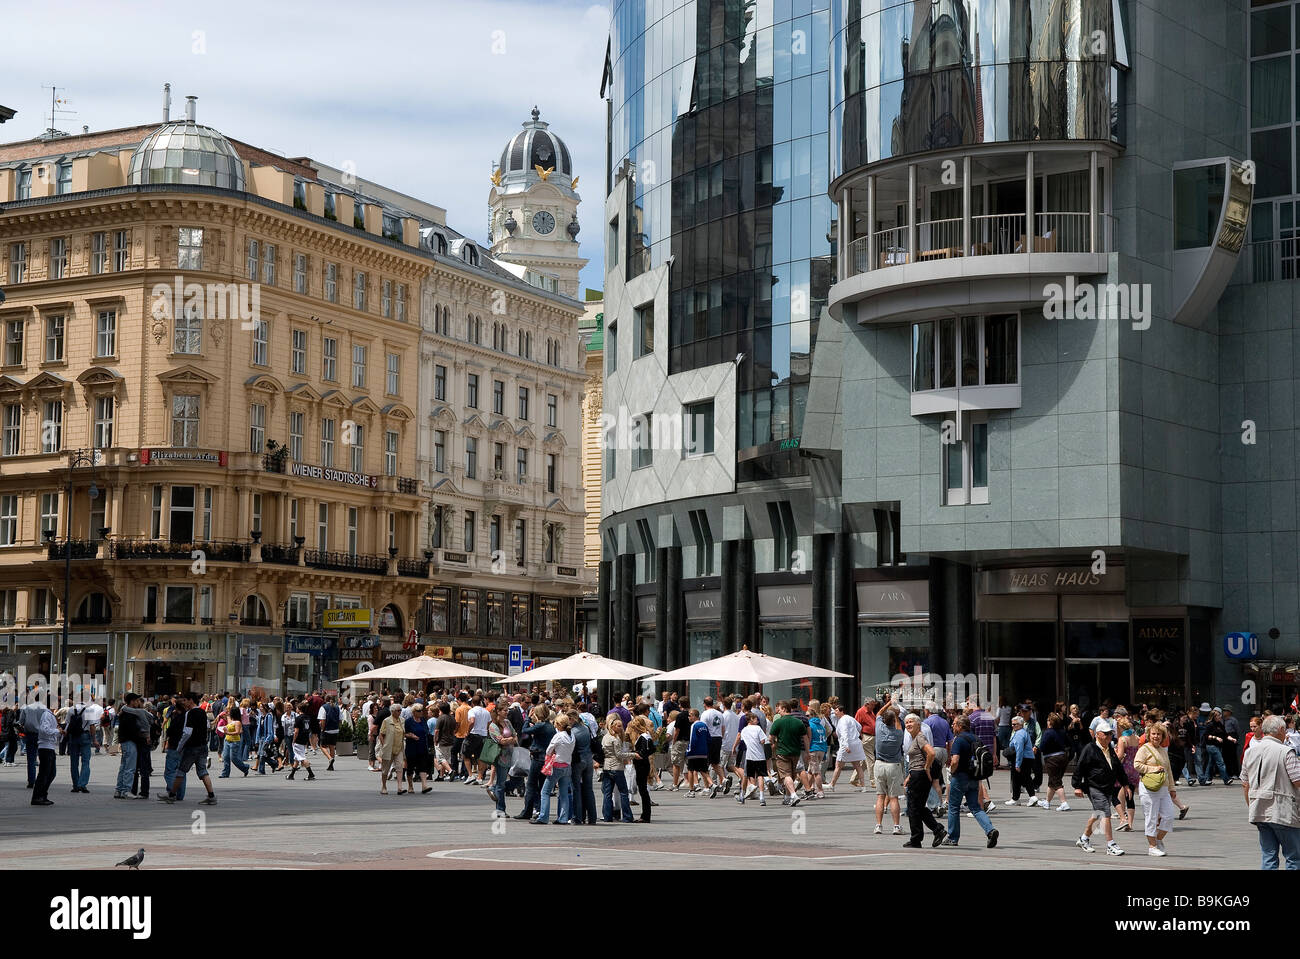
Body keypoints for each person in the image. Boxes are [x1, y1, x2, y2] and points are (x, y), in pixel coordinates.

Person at [1241, 714, 1300, 870]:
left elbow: (1245, 783)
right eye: (1285, 730)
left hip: (1259, 809)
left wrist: (1251, 804)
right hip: (1283, 810)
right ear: (1280, 729)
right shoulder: (1286, 751)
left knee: (1269, 856)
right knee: (1294, 857)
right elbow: (1298, 781)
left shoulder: (1250, 752)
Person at [940, 714, 998, 848]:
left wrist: (952, 770)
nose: (952, 726)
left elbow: (955, 760)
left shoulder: (959, 740)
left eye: (954, 724)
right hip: (974, 777)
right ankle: (990, 830)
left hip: (960, 777)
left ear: (960, 726)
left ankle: (953, 838)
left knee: (953, 807)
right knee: (976, 807)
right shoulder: (976, 738)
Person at [1071, 720, 1126, 856]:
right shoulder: (1090, 748)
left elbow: (1117, 767)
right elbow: (1080, 767)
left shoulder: (1110, 749)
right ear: (1098, 734)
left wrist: (1125, 783)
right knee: (1105, 813)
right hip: (1094, 786)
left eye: (1110, 734)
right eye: (1106, 734)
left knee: (1098, 814)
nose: (1109, 737)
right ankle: (1110, 844)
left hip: (1107, 786)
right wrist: (1077, 786)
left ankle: (1084, 839)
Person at [161, 691, 217, 804]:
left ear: (190, 700)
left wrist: (180, 746)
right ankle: (211, 796)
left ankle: (172, 795)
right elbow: (207, 726)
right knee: (202, 771)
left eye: (185, 700)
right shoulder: (202, 711)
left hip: (192, 747)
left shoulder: (189, 713)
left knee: (181, 771)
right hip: (202, 745)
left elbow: (187, 732)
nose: (184, 702)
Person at [1133, 721, 1179, 857]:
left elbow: (1168, 770)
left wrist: (1172, 787)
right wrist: (1153, 769)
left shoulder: (1163, 751)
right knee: (1151, 817)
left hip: (1164, 788)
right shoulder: (1144, 749)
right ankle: (1152, 847)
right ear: (1148, 735)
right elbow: (1137, 764)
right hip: (1149, 788)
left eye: (1159, 734)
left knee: (1169, 816)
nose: (1156, 736)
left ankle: (1158, 840)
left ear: (1163, 736)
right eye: (1153, 734)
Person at [901, 713, 945, 848]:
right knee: (919, 807)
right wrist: (909, 775)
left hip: (920, 775)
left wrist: (926, 767)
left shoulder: (920, 737)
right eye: (906, 722)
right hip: (917, 775)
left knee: (913, 808)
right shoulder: (915, 738)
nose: (908, 724)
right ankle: (937, 830)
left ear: (918, 724)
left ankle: (917, 839)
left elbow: (931, 752)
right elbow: (917, 758)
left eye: (911, 722)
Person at [517, 705, 556, 820]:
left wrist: (527, 718)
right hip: (545, 758)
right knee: (541, 785)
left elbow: (524, 731)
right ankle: (539, 809)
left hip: (538, 757)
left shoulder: (541, 725)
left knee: (531, 784)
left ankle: (527, 811)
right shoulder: (550, 726)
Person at [535, 714, 574, 824]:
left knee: (545, 792)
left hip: (557, 765)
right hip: (567, 765)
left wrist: (553, 753)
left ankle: (543, 817)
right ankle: (563, 818)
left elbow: (548, 750)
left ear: (558, 724)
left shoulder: (558, 736)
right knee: (564, 793)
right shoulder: (571, 735)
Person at [600, 716, 635, 822]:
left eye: (621, 726)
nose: (621, 728)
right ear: (613, 726)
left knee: (607, 793)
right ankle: (627, 816)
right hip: (617, 767)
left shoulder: (605, 737)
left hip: (607, 766)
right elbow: (619, 754)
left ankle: (607, 816)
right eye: (619, 726)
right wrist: (633, 755)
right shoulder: (615, 739)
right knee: (623, 791)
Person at [828, 702, 867, 792]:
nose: (835, 713)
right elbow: (859, 726)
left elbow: (845, 732)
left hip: (847, 744)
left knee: (838, 765)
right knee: (857, 766)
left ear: (842, 711)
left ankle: (832, 784)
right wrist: (854, 734)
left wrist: (846, 745)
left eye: (837, 711)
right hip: (856, 743)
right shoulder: (850, 718)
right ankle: (863, 786)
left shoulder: (842, 720)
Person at [735, 709, 771, 807]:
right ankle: (762, 797)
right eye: (755, 718)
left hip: (749, 756)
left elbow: (742, 739)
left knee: (746, 776)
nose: (757, 720)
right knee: (760, 776)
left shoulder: (744, 730)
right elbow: (763, 740)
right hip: (760, 756)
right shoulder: (758, 729)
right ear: (750, 720)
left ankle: (742, 795)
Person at [487, 705, 517, 815]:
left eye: (507, 710)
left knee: (517, 780)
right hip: (501, 757)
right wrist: (510, 739)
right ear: (498, 712)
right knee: (501, 782)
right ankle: (500, 809)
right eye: (504, 710)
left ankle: (493, 789)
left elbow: (515, 736)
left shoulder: (507, 722)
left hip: (512, 755)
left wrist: (510, 739)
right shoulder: (493, 726)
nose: (507, 712)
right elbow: (501, 741)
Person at [1005, 716, 1041, 807]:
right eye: (1012, 724)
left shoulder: (1019, 734)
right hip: (1027, 758)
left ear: (1020, 724)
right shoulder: (1022, 732)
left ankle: (1021, 798)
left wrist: (1017, 764)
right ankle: (1019, 798)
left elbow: (1019, 749)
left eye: (1015, 724)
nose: (1012, 726)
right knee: (1022, 778)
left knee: (1020, 778)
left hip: (1022, 758)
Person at [1039, 712, 1071, 811]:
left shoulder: (1048, 732)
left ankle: (1064, 803)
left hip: (1052, 758)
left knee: (1056, 782)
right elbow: (1068, 743)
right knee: (1053, 780)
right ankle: (1047, 802)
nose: (1047, 722)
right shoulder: (1062, 731)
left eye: (1048, 720)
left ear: (1050, 722)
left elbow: (1042, 746)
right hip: (1063, 756)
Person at [30, 703, 59, 806]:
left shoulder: (49, 714)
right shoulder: (47, 714)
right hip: (45, 747)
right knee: (44, 774)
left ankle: (42, 795)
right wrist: (57, 730)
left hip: (49, 746)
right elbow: (44, 730)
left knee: (50, 773)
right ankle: (38, 796)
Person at [684, 708, 717, 797]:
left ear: (694, 716)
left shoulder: (694, 726)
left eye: (690, 715)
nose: (688, 717)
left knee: (690, 770)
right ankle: (712, 784)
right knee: (703, 770)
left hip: (694, 753)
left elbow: (692, 739)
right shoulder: (704, 725)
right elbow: (709, 739)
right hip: (703, 752)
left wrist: (688, 751)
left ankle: (691, 791)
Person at [403, 703, 433, 794]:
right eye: (419, 711)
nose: (421, 712)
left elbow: (426, 731)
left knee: (423, 766)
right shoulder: (408, 721)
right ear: (413, 712)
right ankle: (410, 786)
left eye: (421, 711)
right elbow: (404, 733)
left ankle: (424, 786)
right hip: (412, 747)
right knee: (410, 767)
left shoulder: (423, 720)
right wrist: (410, 735)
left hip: (422, 746)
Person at [1199, 708, 1232, 785]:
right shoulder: (1210, 725)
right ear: (1214, 717)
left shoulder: (1220, 724)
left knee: (1211, 763)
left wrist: (1231, 738)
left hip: (1218, 746)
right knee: (1220, 762)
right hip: (1211, 746)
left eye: (1220, 715)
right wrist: (1215, 738)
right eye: (1218, 716)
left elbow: (1225, 734)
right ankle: (1226, 779)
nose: (1220, 717)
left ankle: (1207, 779)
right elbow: (1206, 736)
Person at [218, 700, 250, 778]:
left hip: (234, 741)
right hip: (227, 740)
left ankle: (245, 767)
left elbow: (237, 732)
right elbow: (224, 714)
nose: (229, 713)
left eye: (231, 712)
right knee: (225, 757)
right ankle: (225, 773)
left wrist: (227, 733)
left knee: (234, 758)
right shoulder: (230, 719)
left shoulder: (237, 722)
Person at [377, 703, 404, 794]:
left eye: (400, 710)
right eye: (398, 710)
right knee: (385, 769)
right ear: (392, 711)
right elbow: (381, 734)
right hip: (389, 748)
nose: (400, 712)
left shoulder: (402, 720)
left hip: (399, 747)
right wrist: (384, 745)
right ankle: (384, 786)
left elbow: (404, 732)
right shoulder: (387, 721)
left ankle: (399, 787)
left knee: (400, 766)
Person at [288, 699, 316, 781]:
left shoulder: (298, 718)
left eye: (297, 708)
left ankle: (311, 773)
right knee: (297, 758)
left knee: (302, 758)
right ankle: (291, 775)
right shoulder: (308, 718)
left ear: (299, 709)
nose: (296, 709)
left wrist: (293, 740)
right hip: (305, 739)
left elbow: (296, 731)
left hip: (299, 740)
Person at [318, 694, 342, 772]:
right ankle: (331, 766)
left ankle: (330, 758)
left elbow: (323, 720)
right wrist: (338, 728)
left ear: (325, 699)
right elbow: (340, 720)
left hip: (327, 729)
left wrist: (322, 728)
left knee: (322, 746)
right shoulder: (338, 708)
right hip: (335, 729)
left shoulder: (323, 707)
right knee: (332, 747)